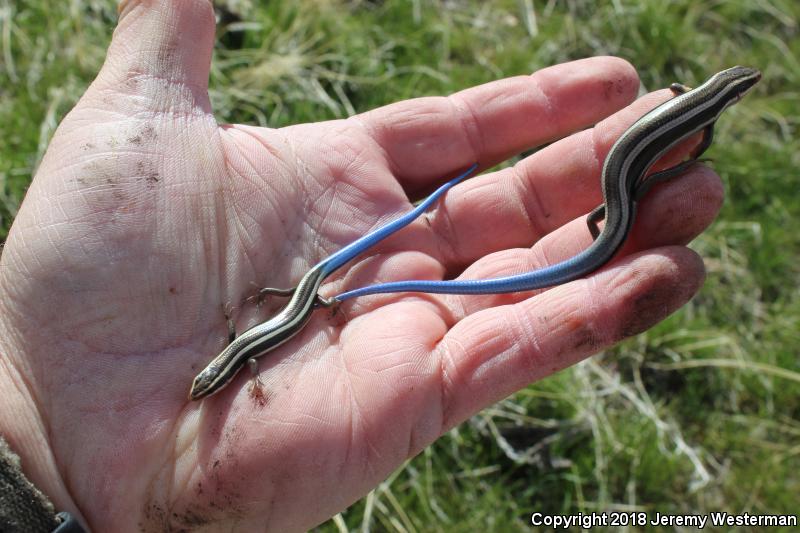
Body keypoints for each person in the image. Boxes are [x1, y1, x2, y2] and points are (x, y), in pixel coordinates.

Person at [0, 1, 722, 531]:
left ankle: (424, 212)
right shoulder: (237, 359)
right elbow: (249, 351)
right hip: (306, 298)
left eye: (211, 377)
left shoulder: (245, 354)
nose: (209, 380)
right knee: (330, 292)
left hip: (311, 295)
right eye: (208, 379)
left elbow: (252, 351)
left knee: (324, 293)